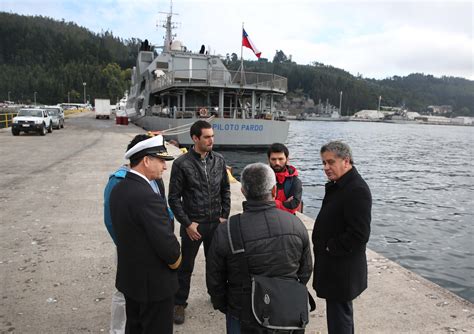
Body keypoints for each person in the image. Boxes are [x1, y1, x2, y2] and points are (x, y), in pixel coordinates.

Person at [206, 162, 313, 333]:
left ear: (243, 191)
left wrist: (226, 305)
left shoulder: (227, 229)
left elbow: (214, 278)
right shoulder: (295, 224)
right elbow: (305, 271)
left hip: (241, 313)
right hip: (287, 313)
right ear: (274, 191)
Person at [110, 134, 181, 334]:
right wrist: (177, 260)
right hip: (154, 286)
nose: (165, 167)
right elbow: (169, 248)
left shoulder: (119, 189)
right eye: (161, 161)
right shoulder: (147, 197)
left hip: (131, 280)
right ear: (147, 161)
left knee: (135, 327)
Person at [168, 120, 231, 324]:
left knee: (216, 264)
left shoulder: (219, 160)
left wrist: (224, 216)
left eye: (212, 136)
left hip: (216, 223)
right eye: (207, 137)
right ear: (195, 138)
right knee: (185, 265)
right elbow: (174, 198)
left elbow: (225, 190)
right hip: (193, 225)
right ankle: (179, 303)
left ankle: (216, 295)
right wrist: (187, 224)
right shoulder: (181, 164)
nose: (211, 140)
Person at [312, 141, 372, 334]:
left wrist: (330, 247)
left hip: (341, 269)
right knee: (340, 316)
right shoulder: (341, 185)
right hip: (336, 268)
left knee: (340, 319)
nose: (326, 168)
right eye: (323, 163)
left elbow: (359, 234)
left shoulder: (356, 190)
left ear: (346, 161)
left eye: (330, 162)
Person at [267, 142, 303, 214]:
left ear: (287, 159)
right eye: (273, 159)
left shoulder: (295, 181)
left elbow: (293, 206)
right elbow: (255, 201)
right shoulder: (262, 177)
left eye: (280, 159)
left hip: (286, 220)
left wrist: (270, 203)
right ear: (268, 160)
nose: (277, 162)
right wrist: (284, 203)